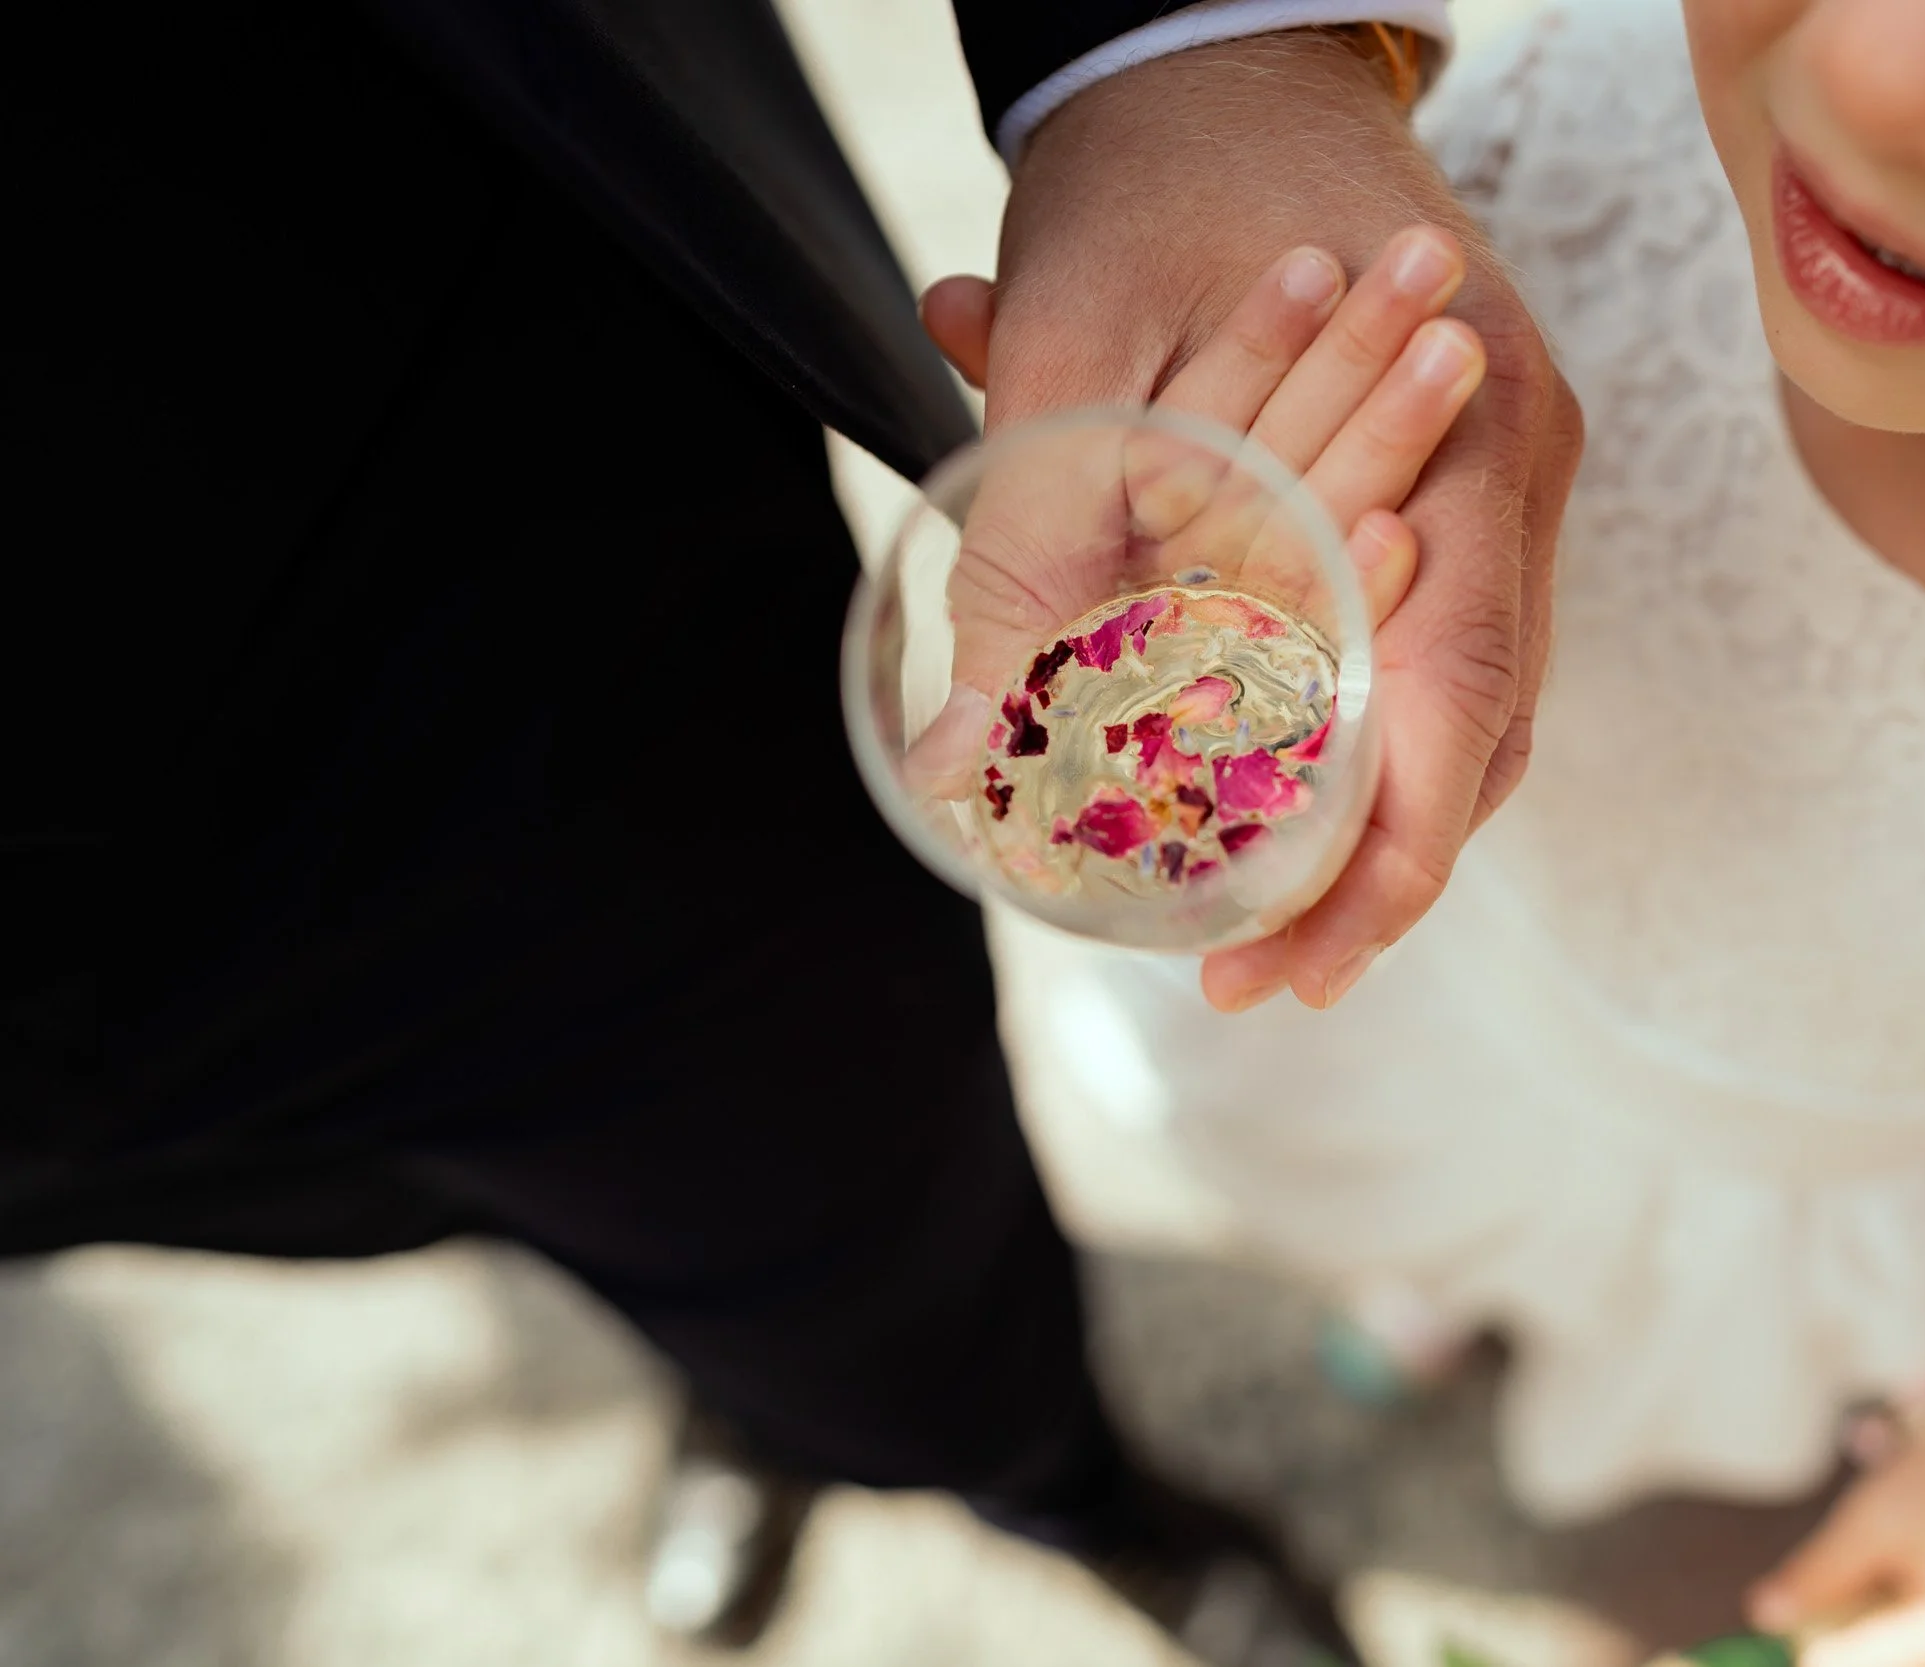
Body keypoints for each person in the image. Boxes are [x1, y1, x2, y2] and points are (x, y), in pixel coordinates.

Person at [2, 1, 1578, 1659]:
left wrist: (1189, 61)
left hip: (481, 611)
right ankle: (755, 1390)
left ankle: (1054, 1482)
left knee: (857, 1234)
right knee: (488, 1241)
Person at [988, 2, 1925, 1662]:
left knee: (1622, 1304)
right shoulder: (1602, 147)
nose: (1882, 67)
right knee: (1411, 1196)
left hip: (1807, 1189)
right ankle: (1434, 1285)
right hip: (1461, 996)